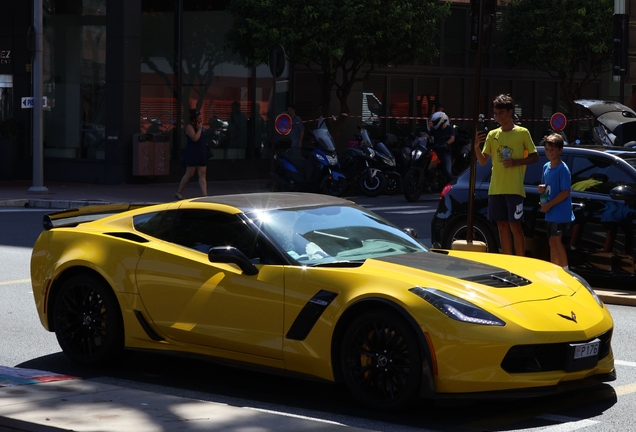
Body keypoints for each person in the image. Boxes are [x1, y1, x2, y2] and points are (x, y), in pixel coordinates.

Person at [474, 94, 539, 256]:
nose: (498, 117)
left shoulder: (522, 132)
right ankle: (508, 260)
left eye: (501, 113)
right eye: (495, 114)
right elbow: (483, 161)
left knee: (515, 226)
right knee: (501, 226)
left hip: (514, 188)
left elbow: (535, 156)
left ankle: (520, 261)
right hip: (495, 188)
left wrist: (516, 162)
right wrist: (476, 146)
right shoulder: (492, 134)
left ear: (510, 112)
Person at [537, 133, 575, 268]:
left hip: (560, 212)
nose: (549, 152)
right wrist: (542, 193)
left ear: (560, 150)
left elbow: (565, 192)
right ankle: (555, 270)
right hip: (550, 211)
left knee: (555, 241)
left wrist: (549, 205)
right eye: (547, 149)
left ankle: (565, 271)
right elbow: (546, 188)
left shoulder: (563, 169)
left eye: (552, 149)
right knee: (551, 242)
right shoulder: (546, 166)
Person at [176, 108, 208, 199]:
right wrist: (199, 129)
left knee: (202, 173)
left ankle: (205, 194)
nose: (200, 120)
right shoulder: (190, 127)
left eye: (201, 118)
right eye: (199, 118)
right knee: (189, 173)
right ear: (194, 119)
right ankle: (179, 192)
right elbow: (195, 138)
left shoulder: (200, 127)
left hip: (201, 152)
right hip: (192, 152)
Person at [425, 111, 455, 185]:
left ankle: (450, 187)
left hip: (445, 151)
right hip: (435, 150)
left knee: (448, 171)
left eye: (436, 121)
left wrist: (446, 144)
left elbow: (452, 138)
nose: (434, 123)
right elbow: (427, 136)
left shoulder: (450, 129)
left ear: (441, 120)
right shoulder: (434, 129)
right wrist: (419, 139)